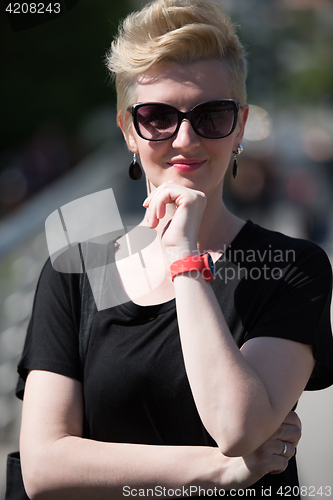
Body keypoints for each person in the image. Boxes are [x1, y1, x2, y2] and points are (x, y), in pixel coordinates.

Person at [17, 0, 333, 498]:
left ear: (240, 125)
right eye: (158, 117)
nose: (185, 139)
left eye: (212, 116)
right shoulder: (75, 270)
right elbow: (42, 466)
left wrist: (185, 259)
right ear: (129, 131)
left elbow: (237, 427)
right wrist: (218, 471)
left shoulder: (291, 266)